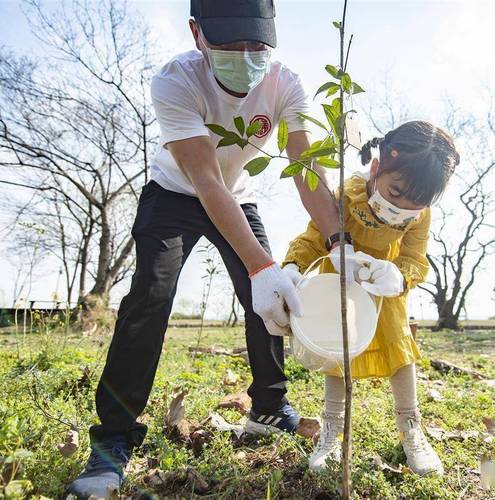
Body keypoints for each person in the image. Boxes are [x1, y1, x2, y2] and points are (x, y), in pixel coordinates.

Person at [67, 1, 360, 497]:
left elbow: (308, 170)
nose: (246, 57)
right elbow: (204, 179)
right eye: (230, 46)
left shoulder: (285, 83)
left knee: (264, 298)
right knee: (151, 296)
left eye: (258, 46)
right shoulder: (175, 80)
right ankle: (114, 437)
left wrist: (339, 241)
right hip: (174, 196)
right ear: (197, 34)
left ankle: (269, 406)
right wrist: (261, 265)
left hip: (237, 196)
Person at [282, 121, 459, 476]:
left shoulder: (419, 218)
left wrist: (399, 275)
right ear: (377, 167)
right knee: (338, 351)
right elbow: (313, 238)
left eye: (416, 203)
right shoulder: (346, 196)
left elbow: (414, 258)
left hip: (384, 293)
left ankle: (411, 429)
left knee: (399, 352)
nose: (401, 207)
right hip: (340, 287)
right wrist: (292, 266)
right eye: (395, 193)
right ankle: (331, 432)